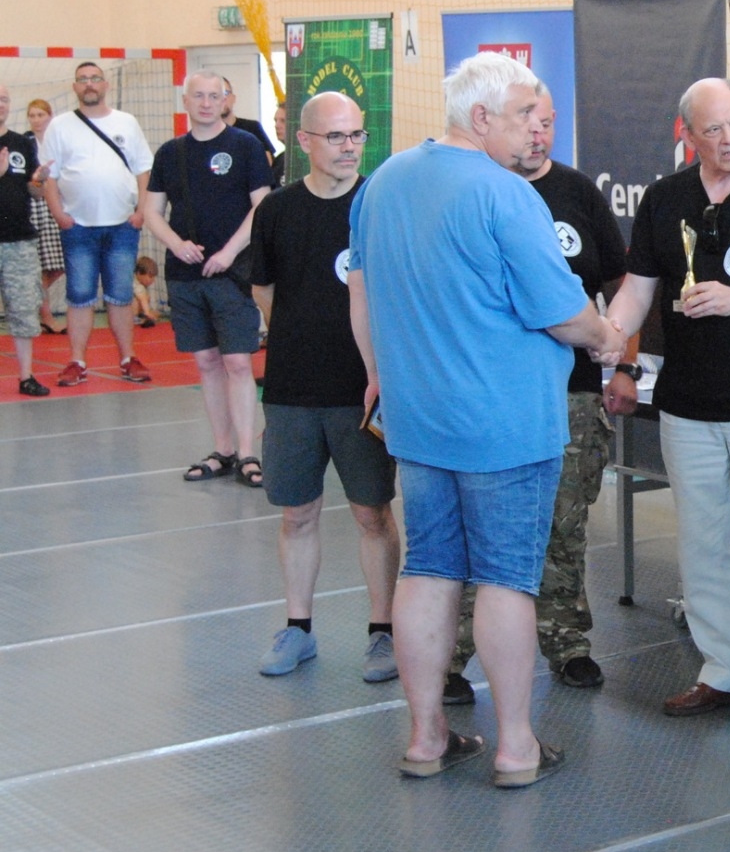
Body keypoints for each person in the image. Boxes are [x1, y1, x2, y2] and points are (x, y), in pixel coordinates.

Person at [348, 52, 622, 786]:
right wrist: (607, 336)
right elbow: (563, 313)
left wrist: (382, 376)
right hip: (504, 424)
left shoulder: (384, 183)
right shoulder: (507, 195)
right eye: (525, 114)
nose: (537, 128)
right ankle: (516, 748)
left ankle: (426, 740)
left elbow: (361, 292)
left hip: (419, 421)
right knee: (505, 580)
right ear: (480, 117)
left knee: (428, 568)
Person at [605, 77, 730, 734]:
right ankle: (723, 670)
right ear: (688, 136)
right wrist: (610, 337)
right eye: (713, 130)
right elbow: (637, 288)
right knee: (703, 543)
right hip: (686, 403)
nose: (729, 140)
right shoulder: (665, 199)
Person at [445, 87, 626, 699]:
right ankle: (453, 654)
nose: (538, 133)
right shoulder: (478, 191)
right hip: (488, 393)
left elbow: (619, 283)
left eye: (547, 122)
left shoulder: (578, 192)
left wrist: (621, 358)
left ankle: (567, 641)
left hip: (571, 392)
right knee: (476, 531)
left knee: (564, 526)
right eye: (528, 120)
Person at [249, 92, 402, 682]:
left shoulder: (380, 204)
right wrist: (300, 337)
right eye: (335, 136)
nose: (348, 147)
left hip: (361, 391)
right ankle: (298, 627)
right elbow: (264, 291)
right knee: (297, 514)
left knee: (372, 513)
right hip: (291, 390)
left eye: (356, 135)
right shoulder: (277, 210)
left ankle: (383, 632)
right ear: (304, 141)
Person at [142, 71, 273, 486]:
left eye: (213, 96)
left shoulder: (245, 145)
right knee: (207, 361)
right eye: (197, 95)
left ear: (225, 100)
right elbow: (151, 212)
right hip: (185, 274)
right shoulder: (170, 153)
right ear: (185, 100)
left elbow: (262, 206)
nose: (205, 103)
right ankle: (223, 449)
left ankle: (248, 452)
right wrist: (176, 244)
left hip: (232, 273)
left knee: (238, 361)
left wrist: (229, 252)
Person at [39, 63, 155, 386]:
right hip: (77, 226)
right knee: (79, 295)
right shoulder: (59, 126)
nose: (89, 84)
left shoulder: (126, 122)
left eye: (94, 79)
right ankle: (77, 361)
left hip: (122, 225)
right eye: (83, 80)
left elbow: (143, 170)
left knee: (120, 294)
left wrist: (141, 211)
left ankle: (128, 358)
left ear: (105, 85)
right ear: (75, 87)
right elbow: (49, 176)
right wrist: (59, 214)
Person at [0, 85, 49, 396]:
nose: (0, 104)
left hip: (19, 241)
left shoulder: (21, 143)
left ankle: (26, 376)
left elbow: (35, 192)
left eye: (3, 99)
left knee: (23, 309)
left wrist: (38, 181)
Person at [24, 99, 66, 335]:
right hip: (34, 205)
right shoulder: (25, 142)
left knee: (59, 264)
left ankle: (33, 297)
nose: (36, 120)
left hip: (58, 202)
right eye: (32, 115)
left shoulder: (58, 140)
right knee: (42, 265)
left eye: (40, 115)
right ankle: (46, 316)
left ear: (50, 116)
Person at [132, 257, 159, 327]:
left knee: (155, 312)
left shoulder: (138, 283)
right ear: (139, 273)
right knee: (138, 299)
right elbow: (142, 298)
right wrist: (148, 313)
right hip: (122, 311)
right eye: (150, 276)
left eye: (153, 277)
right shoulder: (135, 284)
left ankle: (139, 316)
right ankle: (133, 318)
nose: (152, 280)